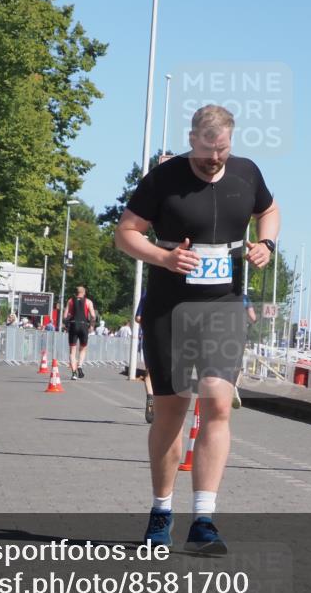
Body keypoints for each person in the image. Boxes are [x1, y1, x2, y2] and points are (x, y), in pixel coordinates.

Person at [115, 104, 280, 554]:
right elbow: (125, 233)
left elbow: (270, 210)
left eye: (222, 150)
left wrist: (265, 244)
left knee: (217, 403)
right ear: (192, 140)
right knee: (172, 409)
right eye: (207, 150)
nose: (214, 159)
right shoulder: (163, 179)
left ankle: (204, 519)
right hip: (170, 306)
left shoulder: (246, 173)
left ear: (231, 142)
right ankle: (161, 511)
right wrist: (164, 258)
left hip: (224, 306)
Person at [232, 294, 259, 409]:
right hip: (239, 333)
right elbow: (253, 318)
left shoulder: (221, 295)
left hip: (222, 332)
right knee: (237, 362)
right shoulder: (244, 298)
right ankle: (233, 385)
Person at [63, 285, 96, 380]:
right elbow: (93, 316)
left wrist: (66, 324)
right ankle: (80, 366)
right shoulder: (88, 301)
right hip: (83, 325)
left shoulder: (70, 301)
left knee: (72, 351)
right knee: (83, 349)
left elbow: (65, 316)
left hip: (73, 325)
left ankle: (73, 373)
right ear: (84, 293)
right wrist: (92, 325)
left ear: (76, 293)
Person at [135, 291, 154, 424]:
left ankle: (150, 399)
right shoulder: (173, 290)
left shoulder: (147, 294)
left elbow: (138, 317)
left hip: (149, 337)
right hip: (168, 338)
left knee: (149, 373)